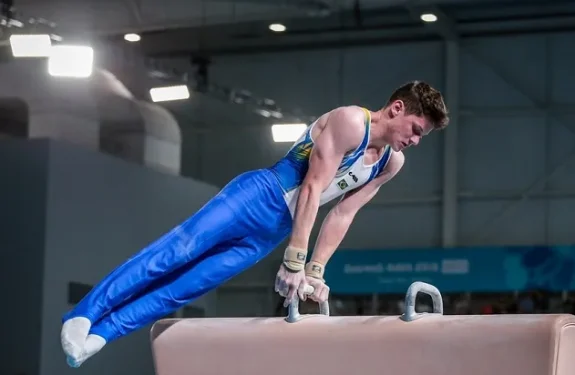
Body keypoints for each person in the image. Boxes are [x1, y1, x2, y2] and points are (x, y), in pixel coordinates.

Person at [60, 80, 450, 367]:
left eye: (423, 137)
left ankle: (103, 333)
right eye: (417, 130)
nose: (416, 141)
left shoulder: (390, 163)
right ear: (397, 109)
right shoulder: (351, 122)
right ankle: (84, 314)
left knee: (188, 286)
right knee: (176, 252)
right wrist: (295, 261)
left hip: (275, 229)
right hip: (256, 196)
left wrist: (315, 271)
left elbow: (342, 213)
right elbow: (313, 188)